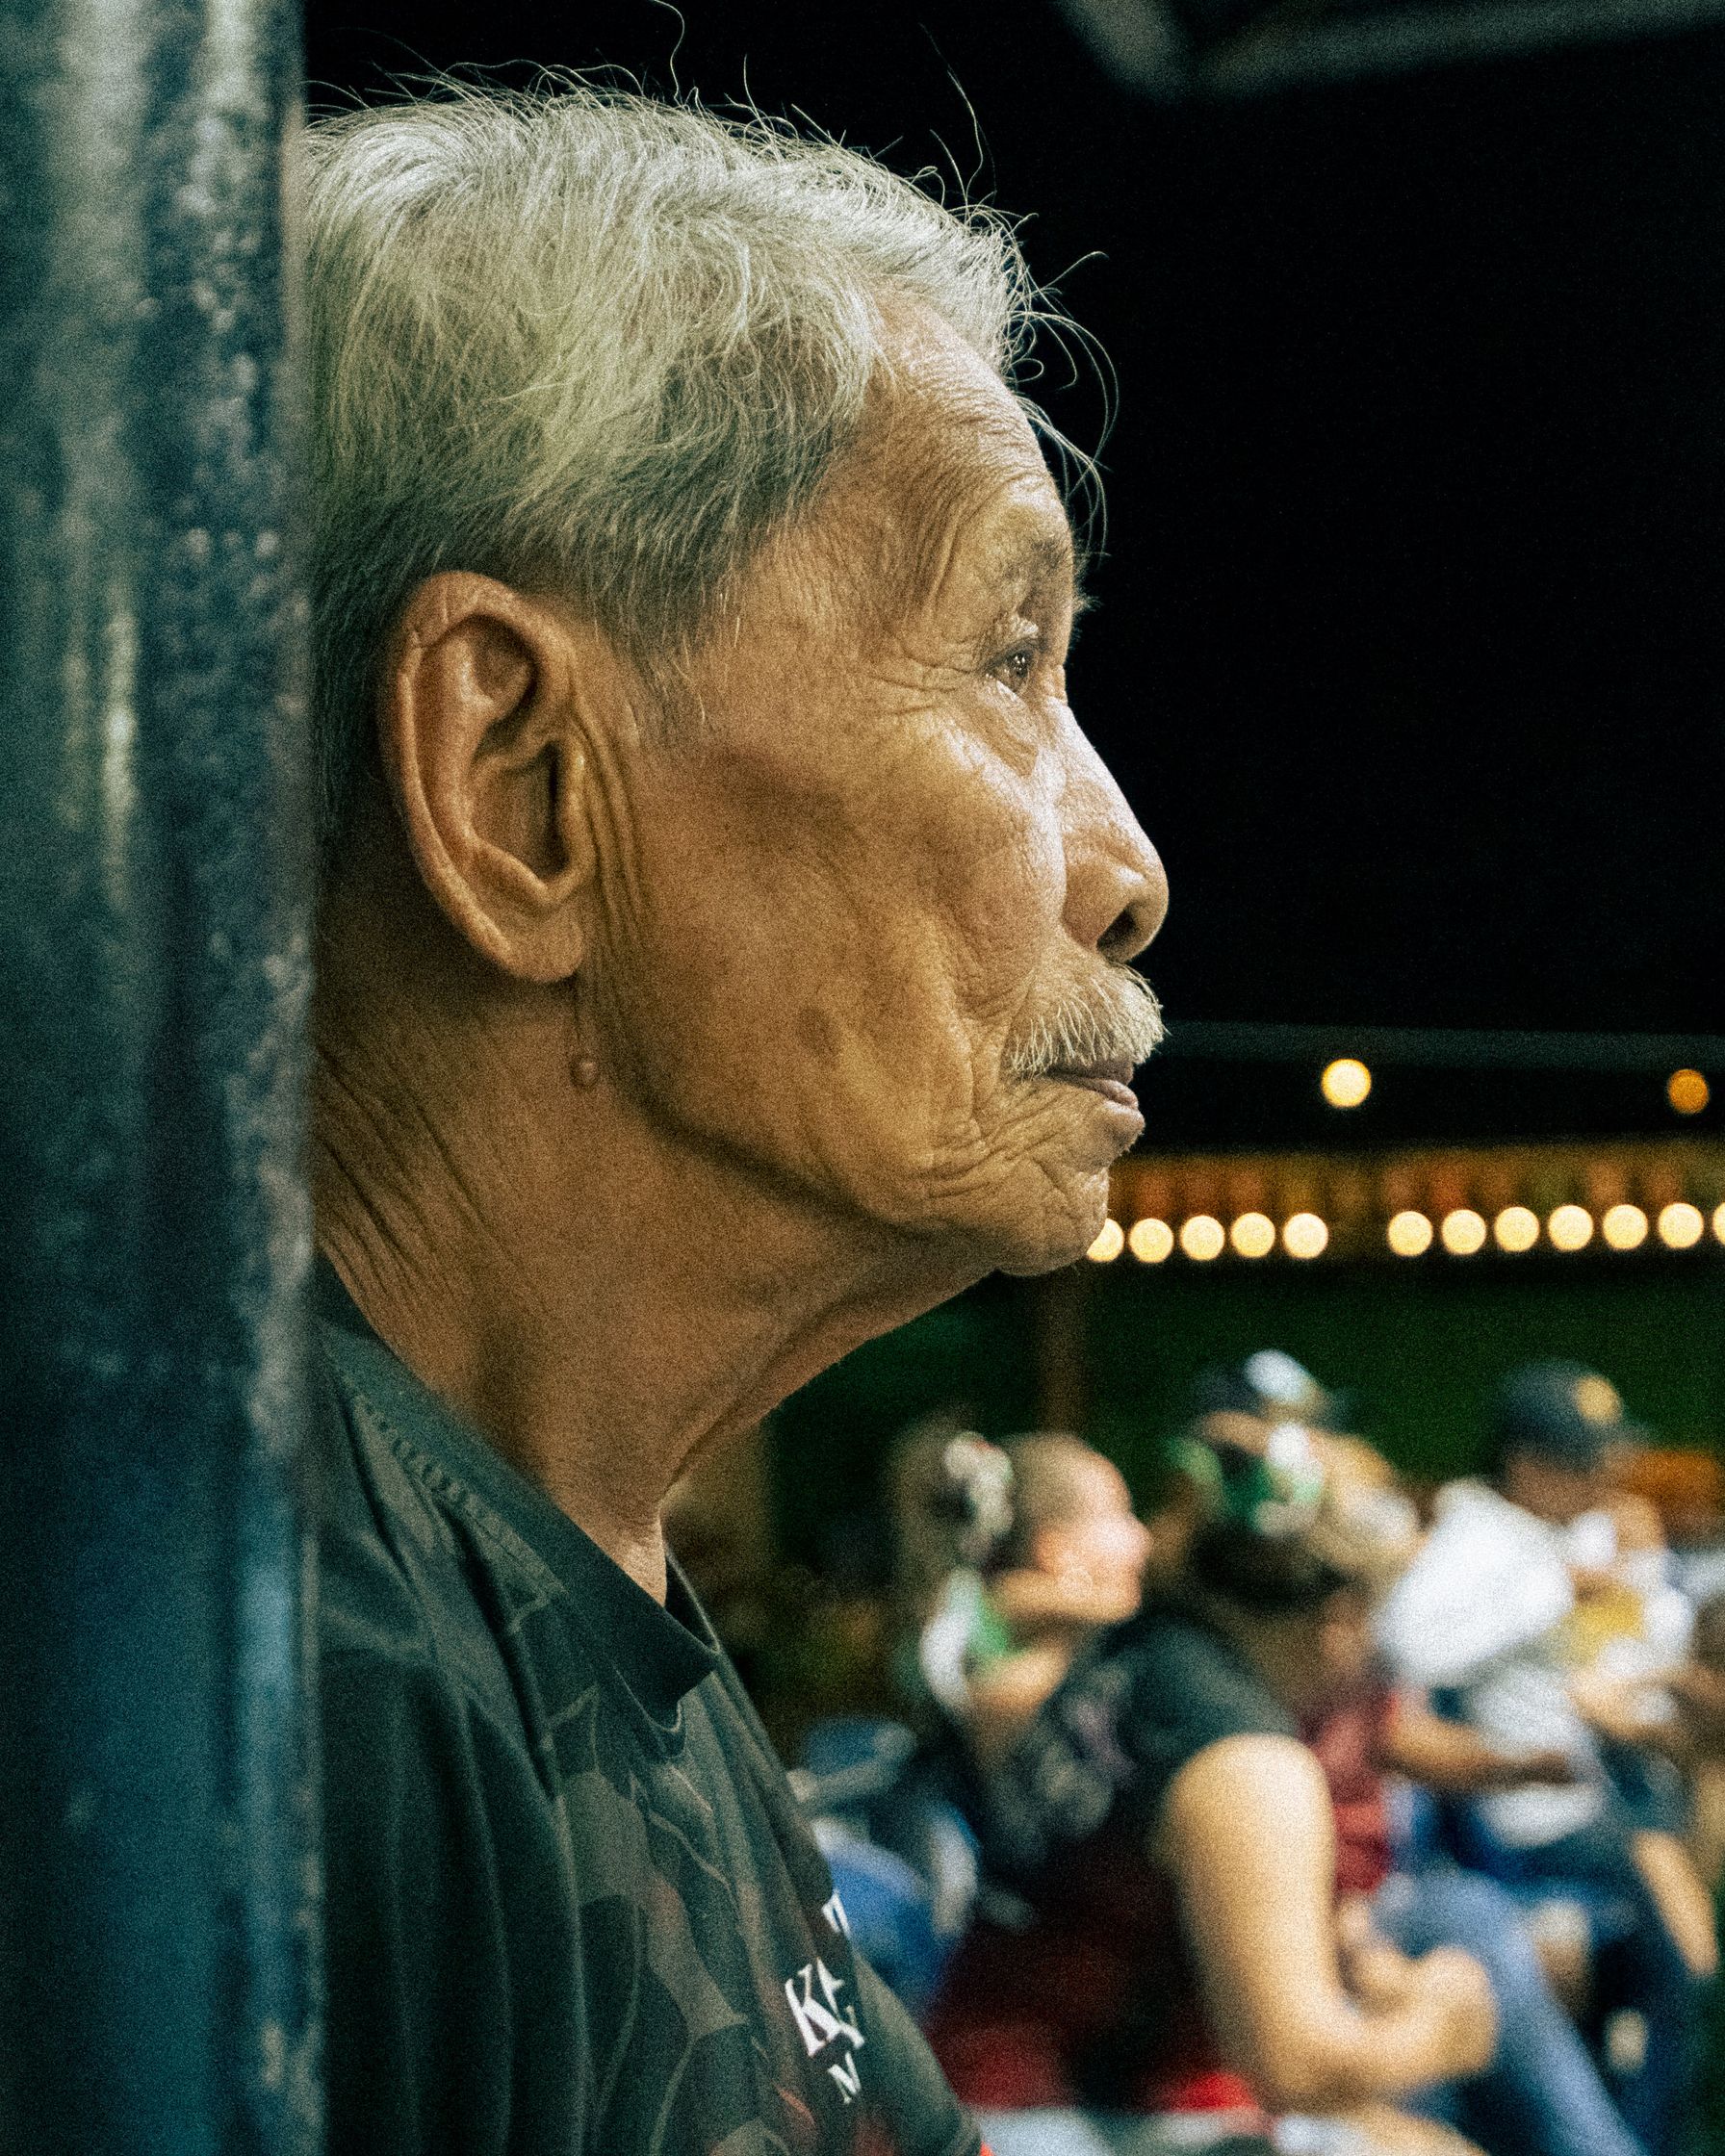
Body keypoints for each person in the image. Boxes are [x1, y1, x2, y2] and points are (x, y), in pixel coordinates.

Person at [301, 78, 1168, 2156]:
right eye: (1000, 656)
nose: (1119, 860)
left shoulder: (547, 1570)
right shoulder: (269, 1681)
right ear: (519, 786)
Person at [925, 1424, 1497, 2156]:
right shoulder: (1248, 1763)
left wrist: (1372, 1970)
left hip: (961, 2095)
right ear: (1344, 1615)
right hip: (1060, 2123)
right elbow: (1298, 2066)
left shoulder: (1135, 1654)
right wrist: (1446, 2028)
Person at [1375, 1364, 1710, 2156]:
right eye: (1589, 1462)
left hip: (1608, 1787)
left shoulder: (1582, 1531)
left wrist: (1641, 1594)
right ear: (1528, 1465)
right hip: (1525, 1814)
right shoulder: (1474, 1535)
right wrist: (1559, 1589)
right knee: (1683, 1950)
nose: (1609, 1478)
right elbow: (1412, 1647)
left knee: (1677, 1938)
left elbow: (1627, 1654)